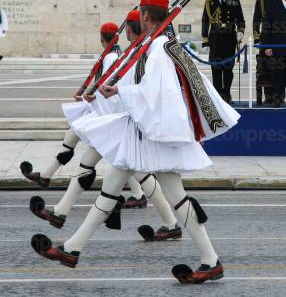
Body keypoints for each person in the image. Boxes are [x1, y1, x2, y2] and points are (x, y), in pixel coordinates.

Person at [31, 0, 240, 284]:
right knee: (124, 188)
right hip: (145, 131)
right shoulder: (158, 45)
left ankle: (210, 260)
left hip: (151, 133)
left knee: (161, 195)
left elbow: (154, 90)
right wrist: (106, 93)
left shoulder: (158, 47)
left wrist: (118, 92)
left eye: (140, 14)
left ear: (144, 15)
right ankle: (73, 248)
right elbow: (137, 83)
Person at [24, 13, 182, 241]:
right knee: (118, 171)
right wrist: (95, 99)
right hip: (118, 124)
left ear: (130, 28)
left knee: (144, 178)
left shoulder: (140, 54)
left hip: (123, 124)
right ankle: (61, 213)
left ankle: (174, 225)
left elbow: (127, 91)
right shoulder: (132, 53)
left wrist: (96, 101)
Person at [201, 0, 245, 103]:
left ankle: (226, 94)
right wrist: (205, 41)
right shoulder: (210, 2)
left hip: (230, 38)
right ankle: (217, 95)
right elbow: (205, 22)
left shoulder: (235, 2)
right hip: (215, 39)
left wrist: (241, 32)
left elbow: (241, 20)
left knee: (228, 69)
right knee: (215, 68)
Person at [253, 0, 283, 105]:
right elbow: (256, 20)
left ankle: (280, 96)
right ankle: (268, 96)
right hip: (266, 40)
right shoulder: (262, 1)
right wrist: (257, 39)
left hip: (282, 40)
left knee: (282, 68)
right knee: (266, 69)